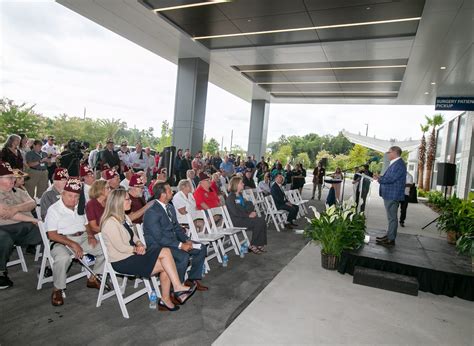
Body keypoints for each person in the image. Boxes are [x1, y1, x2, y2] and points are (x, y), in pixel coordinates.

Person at [100, 188, 196, 311]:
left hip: (133, 254)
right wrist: (136, 249)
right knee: (166, 258)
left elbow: (132, 235)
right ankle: (175, 290)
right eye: (127, 199)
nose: (130, 201)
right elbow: (120, 247)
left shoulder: (122, 217)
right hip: (122, 260)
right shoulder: (109, 223)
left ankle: (170, 294)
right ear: (118, 202)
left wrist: (139, 242)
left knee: (166, 258)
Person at [45, 178, 105, 306]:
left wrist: (90, 235)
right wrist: (72, 244)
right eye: (70, 196)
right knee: (63, 258)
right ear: (63, 194)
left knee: (105, 251)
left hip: (82, 237)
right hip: (61, 240)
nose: (73, 199)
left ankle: (93, 278)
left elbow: (86, 224)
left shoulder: (79, 207)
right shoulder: (54, 209)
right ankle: (57, 289)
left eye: (76, 196)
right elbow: (51, 234)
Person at [143, 182, 209, 292]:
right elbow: (159, 238)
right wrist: (180, 245)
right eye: (169, 191)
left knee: (201, 248)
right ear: (163, 195)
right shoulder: (152, 212)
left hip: (172, 242)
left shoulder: (169, 207)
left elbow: (177, 228)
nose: (172, 192)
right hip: (159, 247)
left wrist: (186, 240)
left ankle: (192, 279)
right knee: (183, 256)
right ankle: (176, 286)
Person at [0, 162, 42, 289]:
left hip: (24, 228)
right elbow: (5, 213)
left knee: (48, 232)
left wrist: (15, 208)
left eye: (13, 177)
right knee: (3, 239)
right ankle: (1, 272)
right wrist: (31, 219)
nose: (14, 180)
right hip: (4, 229)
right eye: (10, 177)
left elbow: (32, 203)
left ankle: (48, 266)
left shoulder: (18, 191)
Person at [374, 146, 407, 247]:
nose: (387, 154)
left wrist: (379, 179)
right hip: (390, 194)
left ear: (394, 153)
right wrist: (380, 177)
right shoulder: (396, 163)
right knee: (391, 218)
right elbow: (390, 177)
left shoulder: (399, 164)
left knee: (392, 218)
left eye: (389, 152)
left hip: (392, 195)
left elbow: (391, 179)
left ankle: (391, 239)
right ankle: (389, 236)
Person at [226, 176, 267, 254]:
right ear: (236, 184)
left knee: (261, 220)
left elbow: (247, 207)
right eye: (241, 183)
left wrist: (250, 212)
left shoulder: (240, 196)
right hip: (236, 220)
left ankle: (260, 244)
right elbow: (235, 212)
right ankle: (253, 245)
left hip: (243, 218)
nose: (243, 184)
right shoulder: (231, 197)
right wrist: (248, 215)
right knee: (258, 221)